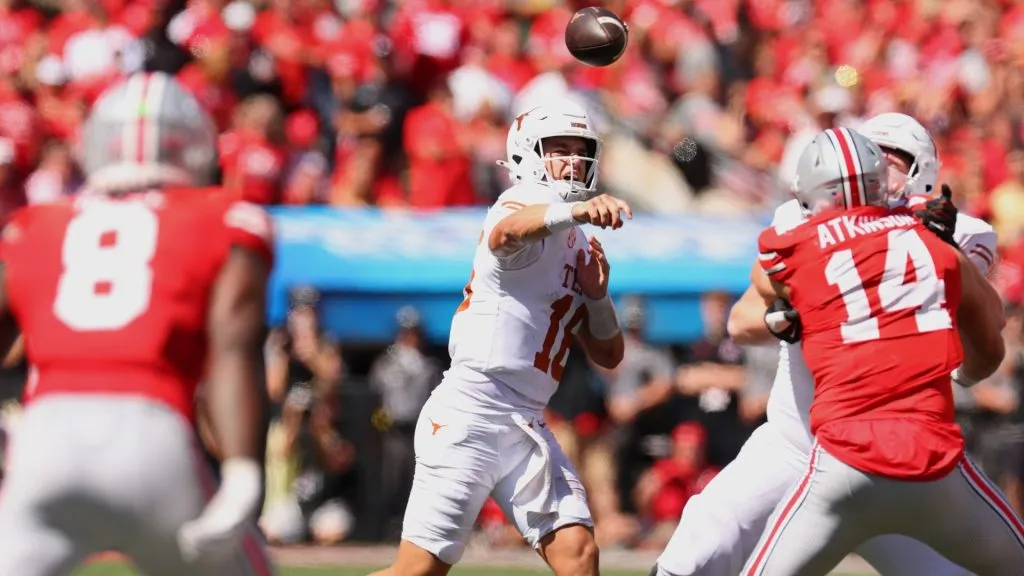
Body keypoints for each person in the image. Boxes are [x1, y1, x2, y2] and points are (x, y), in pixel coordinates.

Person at [652, 113, 995, 576]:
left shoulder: (958, 234)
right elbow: (742, 320)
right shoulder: (804, 219)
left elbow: (978, 331)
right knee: (696, 551)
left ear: (924, 173)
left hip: (890, 458)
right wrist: (788, 320)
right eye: (869, 155)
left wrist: (941, 245)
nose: (873, 169)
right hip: (795, 442)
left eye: (892, 161)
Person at [0, 71, 277, 576]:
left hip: (43, 438)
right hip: (151, 433)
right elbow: (234, 348)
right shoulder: (224, 215)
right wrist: (243, 471)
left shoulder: (36, 223)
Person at [740, 127, 1024, 575]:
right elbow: (990, 342)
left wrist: (802, 307)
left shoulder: (796, 246)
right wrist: (964, 375)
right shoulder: (935, 240)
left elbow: (760, 285)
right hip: (935, 465)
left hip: (842, 467)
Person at [369, 98, 631, 576]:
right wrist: (575, 213)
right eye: (559, 149)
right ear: (528, 152)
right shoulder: (521, 203)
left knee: (579, 554)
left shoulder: (578, 239)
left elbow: (610, 355)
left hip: (526, 419)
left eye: (580, 149)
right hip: (471, 410)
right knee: (417, 572)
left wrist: (597, 297)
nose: (573, 160)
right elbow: (507, 233)